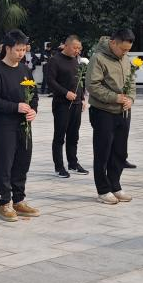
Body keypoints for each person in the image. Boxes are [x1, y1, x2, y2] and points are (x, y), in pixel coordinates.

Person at [0, 29, 40, 222]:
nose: (21, 53)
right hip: (5, 125)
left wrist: (33, 110)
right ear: (7, 48)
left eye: (23, 50)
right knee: (5, 163)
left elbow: (34, 95)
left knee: (22, 161)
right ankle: (4, 202)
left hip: (24, 125)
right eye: (18, 50)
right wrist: (15, 107)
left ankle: (19, 200)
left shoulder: (25, 70)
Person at [87, 30, 136, 205]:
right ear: (113, 42)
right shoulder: (98, 58)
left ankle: (115, 186)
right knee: (103, 152)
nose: (125, 53)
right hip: (103, 111)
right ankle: (103, 190)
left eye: (128, 50)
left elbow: (131, 81)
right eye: (123, 49)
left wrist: (130, 98)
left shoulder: (125, 59)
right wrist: (115, 98)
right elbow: (92, 85)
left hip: (123, 111)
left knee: (120, 152)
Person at [43, 35, 88, 179]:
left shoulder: (76, 60)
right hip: (62, 104)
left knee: (74, 136)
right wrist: (65, 93)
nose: (77, 51)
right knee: (59, 136)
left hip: (76, 104)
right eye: (75, 48)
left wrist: (82, 99)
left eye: (79, 48)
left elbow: (79, 81)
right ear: (66, 46)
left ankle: (73, 163)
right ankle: (59, 167)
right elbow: (50, 81)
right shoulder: (55, 60)